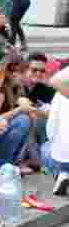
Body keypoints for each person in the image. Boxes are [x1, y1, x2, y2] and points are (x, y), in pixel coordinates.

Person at [43, 64, 69, 196]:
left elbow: (51, 131)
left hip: (62, 153)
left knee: (46, 148)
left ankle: (62, 173)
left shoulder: (60, 94)